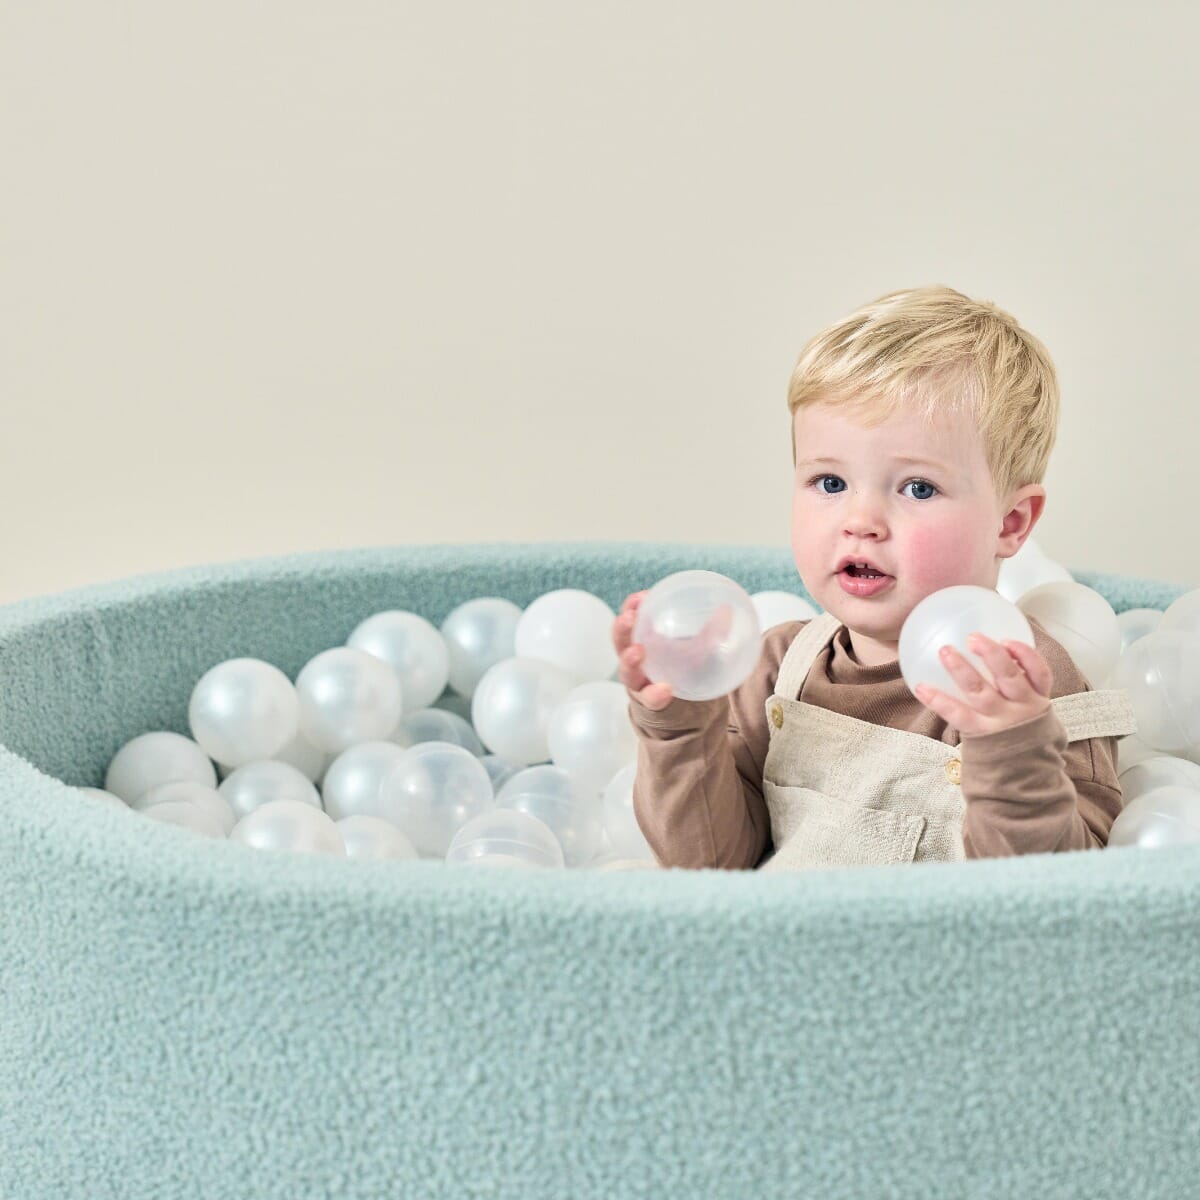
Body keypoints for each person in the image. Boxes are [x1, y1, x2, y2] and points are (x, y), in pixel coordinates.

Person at [613, 285, 1136, 870]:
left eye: (918, 488)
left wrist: (1012, 748)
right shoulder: (776, 667)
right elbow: (712, 865)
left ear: (1010, 522)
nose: (860, 522)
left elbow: (1053, 912)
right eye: (830, 483)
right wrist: (681, 728)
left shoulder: (1033, 691)